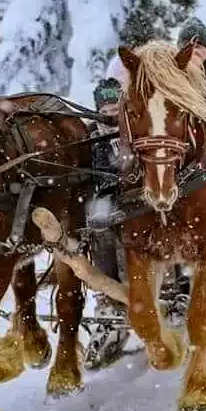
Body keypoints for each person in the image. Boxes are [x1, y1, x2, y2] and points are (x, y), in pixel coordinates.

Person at [84, 77, 130, 370]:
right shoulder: (90, 136)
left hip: (134, 197)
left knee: (130, 230)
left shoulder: (134, 129)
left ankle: (134, 290)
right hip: (104, 197)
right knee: (98, 227)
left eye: (116, 109)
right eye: (105, 110)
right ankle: (109, 297)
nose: (111, 115)